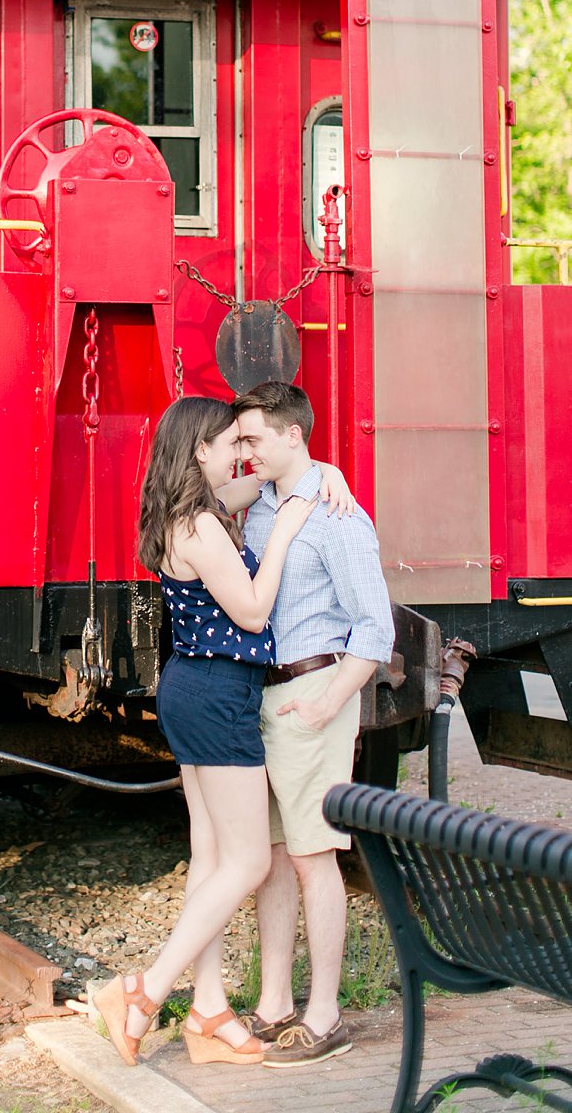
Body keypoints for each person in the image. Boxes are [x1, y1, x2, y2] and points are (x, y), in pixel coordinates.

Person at [89, 395, 351, 1067]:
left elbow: (273, 476)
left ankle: (207, 1008)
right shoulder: (202, 525)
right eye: (232, 442)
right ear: (199, 450)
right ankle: (144, 991)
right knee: (251, 861)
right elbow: (255, 610)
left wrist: (326, 476)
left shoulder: (178, 512)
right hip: (219, 694)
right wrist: (290, 529)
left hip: (190, 686)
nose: (243, 453)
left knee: (210, 860)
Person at [232, 380, 394, 1069]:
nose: (245, 451)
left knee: (313, 855)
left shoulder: (338, 517)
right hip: (262, 699)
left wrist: (331, 705)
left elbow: (376, 627)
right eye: (239, 440)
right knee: (269, 859)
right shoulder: (259, 507)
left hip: (313, 691)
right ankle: (273, 1004)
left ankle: (324, 1012)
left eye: (254, 438)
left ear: (293, 435)